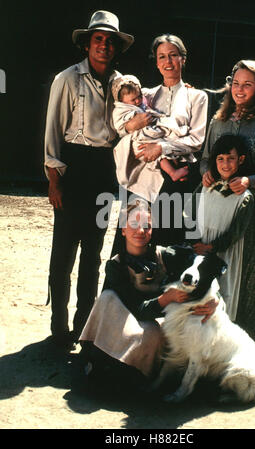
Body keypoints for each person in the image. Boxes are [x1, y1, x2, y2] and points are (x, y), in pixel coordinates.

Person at [44, 10, 134, 350]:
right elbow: (53, 131)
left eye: (110, 41)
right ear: (87, 44)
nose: (104, 46)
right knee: (63, 253)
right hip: (73, 166)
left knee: (93, 254)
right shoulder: (67, 79)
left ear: (116, 48)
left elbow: (128, 130)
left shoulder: (122, 84)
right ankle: (58, 328)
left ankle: (83, 326)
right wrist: (54, 179)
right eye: (98, 39)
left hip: (103, 171)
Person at [79, 199, 219, 381]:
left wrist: (214, 299)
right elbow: (138, 308)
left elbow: (203, 266)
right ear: (123, 229)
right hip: (126, 317)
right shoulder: (116, 265)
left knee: (155, 333)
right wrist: (167, 298)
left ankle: (141, 374)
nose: (140, 231)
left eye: (147, 226)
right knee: (107, 298)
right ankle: (102, 359)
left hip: (156, 321)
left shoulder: (166, 254)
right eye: (134, 225)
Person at [199, 60, 255, 345]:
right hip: (215, 213)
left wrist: (250, 181)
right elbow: (205, 160)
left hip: (247, 219)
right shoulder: (218, 121)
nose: (240, 89)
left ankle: (244, 351)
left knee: (246, 280)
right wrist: (207, 174)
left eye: (248, 84)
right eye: (236, 83)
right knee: (212, 271)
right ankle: (208, 349)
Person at [123, 34, 208, 245]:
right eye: (162, 57)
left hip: (176, 180)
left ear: (183, 59)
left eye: (173, 55)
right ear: (156, 61)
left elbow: (196, 140)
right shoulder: (145, 95)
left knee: (168, 241)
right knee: (137, 240)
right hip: (143, 177)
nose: (167, 62)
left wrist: (161, 147)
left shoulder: (197, 97)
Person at [185, 134, 254, 329]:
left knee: (222, 295)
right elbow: (190, 210)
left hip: (225, 252)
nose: (225, 164)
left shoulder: (244, 197)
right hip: (200, 247)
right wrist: (196, 241)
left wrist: (213, 246)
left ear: (240, 160)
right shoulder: (206, 186)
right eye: (220, 159)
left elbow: (236, 232)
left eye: (231, 159)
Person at [111, 74, 192, 203]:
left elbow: (157, 91)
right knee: (157, 147)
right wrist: (132, 122)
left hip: (146, 134)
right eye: (133, 100)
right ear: (122, 101)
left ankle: (174, 163)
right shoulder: (120, 110)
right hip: (137, 139)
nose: (138, 101)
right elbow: (119, 125)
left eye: (139, 97)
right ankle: (172, 172)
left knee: (162, 144)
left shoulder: (141, 98)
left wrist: (181, 89)